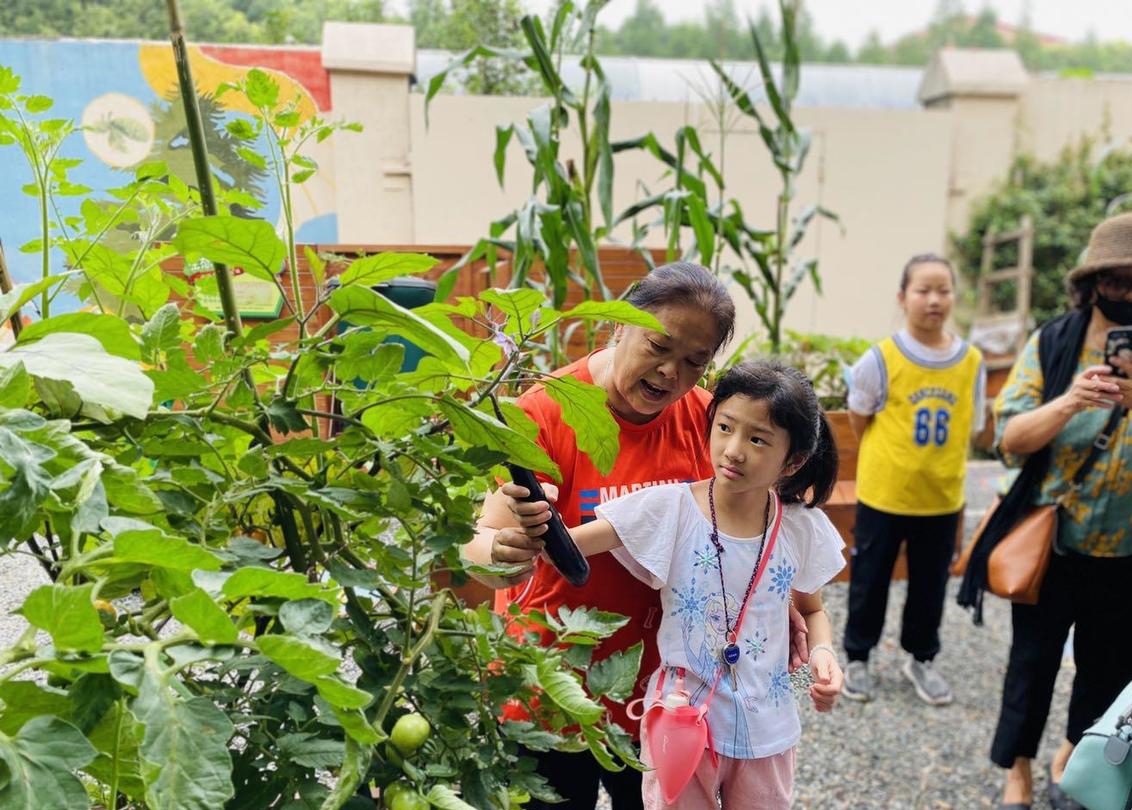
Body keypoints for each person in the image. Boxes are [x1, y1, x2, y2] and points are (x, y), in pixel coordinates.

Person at [462, 263, 810, 810]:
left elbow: (747, 516)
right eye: (658, 346)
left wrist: (773, 597)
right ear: (618, 325)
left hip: (667, 694)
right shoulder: (545, 413)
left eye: (694, 362)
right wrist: (502, 553)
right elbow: (479, 547)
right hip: (552, 686)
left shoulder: (707, 421)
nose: (670, 373)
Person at [494, 360, 846, 810]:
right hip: (683, 725)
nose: (733, 450)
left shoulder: (800, 528)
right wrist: (533, 513)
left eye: (757, 439)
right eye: (724, 427)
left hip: (768, 729)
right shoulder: (670, 509)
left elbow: (812, 610)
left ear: (793, 459)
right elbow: (567, 548)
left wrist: (823, 653)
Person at [962, 214, 1132, 810]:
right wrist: (1069, 403)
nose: (1128, 294)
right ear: (1093, 284)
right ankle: (1019, 771)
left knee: (1108, 668)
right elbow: (1007, 437)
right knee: (1031, 663)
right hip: (1053, 540)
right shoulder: (1055, 341)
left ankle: (1073, 758)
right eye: (1116, 282)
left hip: (1125, 550)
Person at [841, 254, 987, 705]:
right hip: (884, 495)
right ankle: (858, 657)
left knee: (930, 584)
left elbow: (975, 426)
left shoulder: (971, 362)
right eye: (923, 290)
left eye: (944, 290)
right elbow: (858, 420)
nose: (934, 300)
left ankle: (921, 657)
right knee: (870, 579)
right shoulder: (881, 359)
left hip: (942, 499)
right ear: (903, 298)